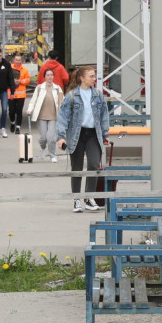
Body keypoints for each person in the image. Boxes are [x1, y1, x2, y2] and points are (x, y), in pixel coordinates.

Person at [56, 66, 110, 213]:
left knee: (93, 165)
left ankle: (89, 197)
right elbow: (63, 117)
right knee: (77, 168)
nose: (94, 79)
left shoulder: (98, 95)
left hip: (93, 134)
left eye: (95, 76)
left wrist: (105, 134)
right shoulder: (72, 96)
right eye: (91, 76)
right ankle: (76, 199)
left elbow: (104, 116)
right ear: (82, 78)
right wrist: (61, 137)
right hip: (76, 135)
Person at [26, 67, 64, 162]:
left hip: (53, 117)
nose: (50, 77)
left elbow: (62, 102)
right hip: (41, 116)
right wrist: (29, 109)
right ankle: (42, 148)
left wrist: (64, 113)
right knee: (43, 137)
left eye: (51, 75)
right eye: (48, 75)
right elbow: (33, 101)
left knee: (51, 138)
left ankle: (52, 155)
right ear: (45, 77)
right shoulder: (39, 88)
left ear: (53, 76)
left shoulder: (57, 88)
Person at [8, 54, 31, 134]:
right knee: (11, 111)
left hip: (21, 94)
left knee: (19, 111)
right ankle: (12, 122)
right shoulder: (10, 69)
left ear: (21, 61)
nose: (18, 61)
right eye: (16, 60)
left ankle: (18, 127)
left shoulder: (25, 70)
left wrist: (20, 81)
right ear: (13, 61)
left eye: (19, 60)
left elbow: (28, 80)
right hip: (11, 93)